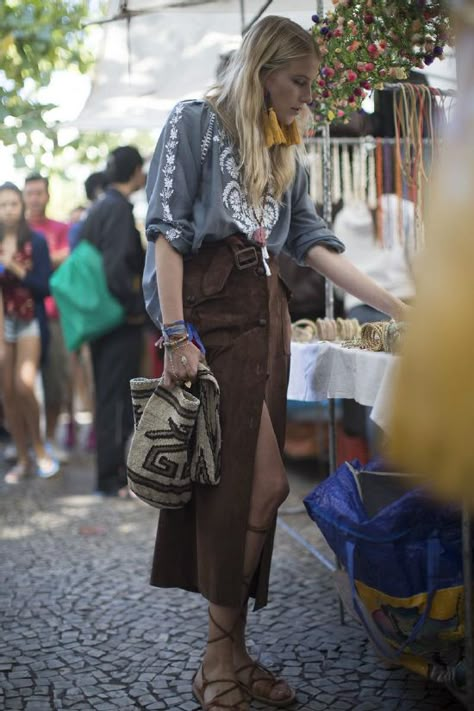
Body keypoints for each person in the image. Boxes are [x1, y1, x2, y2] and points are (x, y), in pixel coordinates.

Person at [143, 16, 408, 710]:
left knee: (252, 493)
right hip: (212, 322)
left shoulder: (281, 145)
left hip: (267, 320)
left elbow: (313, 242)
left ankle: (231, 655)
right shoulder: (194, 121)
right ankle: (215, 658)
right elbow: (167, 235)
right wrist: (175, 334)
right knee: (257, 489)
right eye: (299, 82)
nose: (305, 98)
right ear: (263, 70)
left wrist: (398, 306)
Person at [80, 146, 146, 497]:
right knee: (117, 398)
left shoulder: (100, 206)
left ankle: (110, 474)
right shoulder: (118, 209)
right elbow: (117, 268)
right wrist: (135, 306)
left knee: (107, 396)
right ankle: (112, 478)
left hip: (98, 316)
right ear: (135, 171)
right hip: (118, 318)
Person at [0, 182, 59, 483]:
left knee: (25, 385)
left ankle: (40, 447)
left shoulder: (34, 241)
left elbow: (44, 287)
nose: (8, 209)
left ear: (21, 206)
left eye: (12, 203)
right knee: (7, 393)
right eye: (3, 204)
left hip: (28, 320)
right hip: (2, 322)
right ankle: (22, 457)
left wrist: (13, 266)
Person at [23, 173, 72, 463]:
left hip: (55, 314)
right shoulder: (14, 229)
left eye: (39, 193)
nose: (34, 198)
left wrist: (34, 261)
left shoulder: (61, 228)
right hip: (20, 315)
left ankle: (50, 438)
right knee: (21, 384)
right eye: (30, 193)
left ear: (48, 195)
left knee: (55, 381)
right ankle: (28, 440)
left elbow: (68, 256)